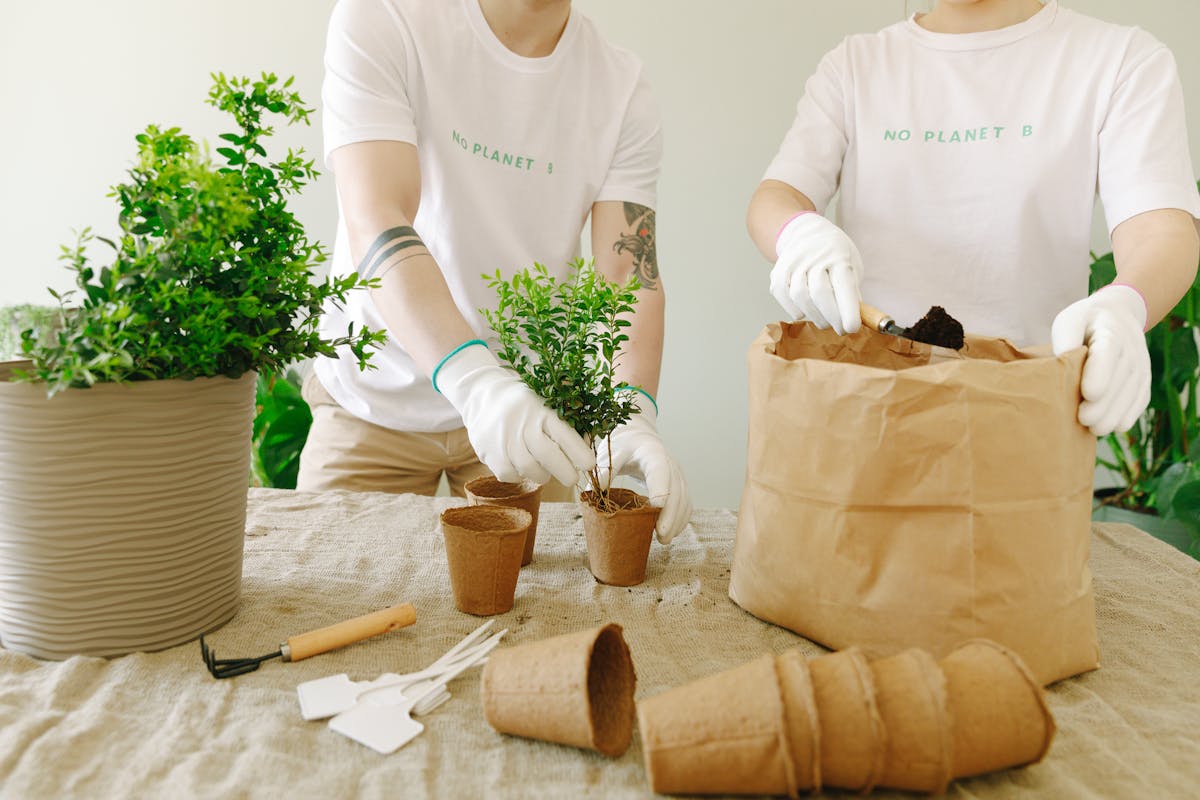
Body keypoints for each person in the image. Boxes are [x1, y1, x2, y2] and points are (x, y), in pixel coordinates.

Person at [295, 0, 690, 544]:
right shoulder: (385, 16)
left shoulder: (619, 86)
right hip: (372, 400)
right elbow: (377, 214)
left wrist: (631, 412)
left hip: (528, 421)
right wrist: (474, 381)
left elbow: (627, 275)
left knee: (543, 609)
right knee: (324, 587)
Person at [747, 0, 1200, 437]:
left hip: (1024, 416)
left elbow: (1159, 226)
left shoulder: (1120, 60)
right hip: (868, 415)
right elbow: (778, 195)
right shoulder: (854, 65)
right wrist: (800, 233)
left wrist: (1125, 304)